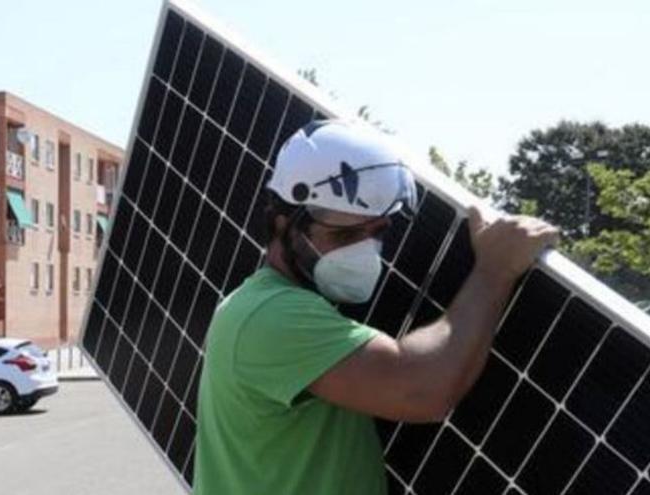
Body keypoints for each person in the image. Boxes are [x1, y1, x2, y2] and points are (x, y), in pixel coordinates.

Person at [193, 120, 558, 494]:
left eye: (378, 232)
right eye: (346, 235)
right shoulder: (272, 316)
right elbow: (421, 390)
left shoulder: (268, 305)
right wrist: (494, 270)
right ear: (286, 224)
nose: (364, 251)